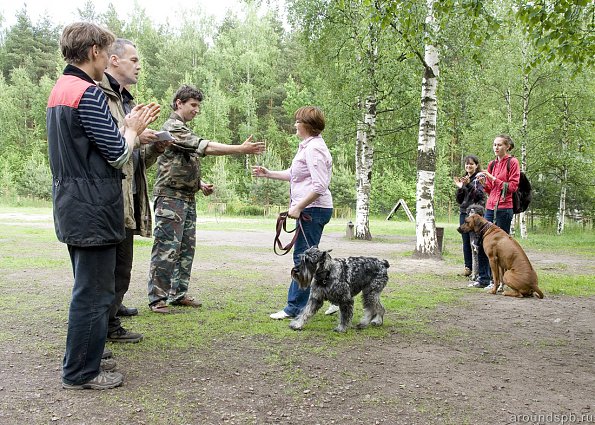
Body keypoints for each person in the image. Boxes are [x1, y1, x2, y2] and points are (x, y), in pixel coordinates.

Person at [47, 22, 156, 389]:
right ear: (95, 52)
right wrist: (131, 128)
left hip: (72, 202)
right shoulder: (88, 93)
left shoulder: (61, 89)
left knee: (88, 290)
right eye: (106, 51)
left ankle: (82, 362)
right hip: (93, 207)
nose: (108, 57)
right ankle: (81, 372)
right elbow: (117, 153)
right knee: (94, 295)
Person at [147, 85, 265, 313]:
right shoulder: (173, 128)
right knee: (166, 248)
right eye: (193, 105)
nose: (197, 110)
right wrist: (240, 149)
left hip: (186, 197)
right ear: (179, 103)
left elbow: (177, 165)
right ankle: (157, 298)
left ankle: (178, 294)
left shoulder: (183, 129)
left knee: (185, 249)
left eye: (199, 106)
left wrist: (199, 184)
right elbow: (206, 147)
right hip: (170, 198)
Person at [98, 38, 170, 342]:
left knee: (122, 267)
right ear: (114, 60)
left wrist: (152, 147)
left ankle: (112, 314)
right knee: (109, 272)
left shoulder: (125, 100)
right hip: (109, 197)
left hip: (128, 196)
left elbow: (132, 158)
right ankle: (106, 325)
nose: (139, 66)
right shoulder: (99, 96)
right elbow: (109, 150)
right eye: (134, 59)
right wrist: (134, 136)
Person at [252, 106, 333, 320]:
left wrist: (298, 207)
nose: (295, 124)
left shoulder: (314, 149)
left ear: (306, 125)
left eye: (297, 121)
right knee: (311, 258)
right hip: (313, 209)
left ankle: (294, 308)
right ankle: (335, 297)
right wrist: (268, 174)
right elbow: (294, 174)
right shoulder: (308, 146)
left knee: (303, 259)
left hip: (313, 210)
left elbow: (320, 186)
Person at [471, 134, 520, 289]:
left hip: (505, 208)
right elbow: (491, 190)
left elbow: (512, 187)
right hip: (491, 207)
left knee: (501, 247)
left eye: (499, 145)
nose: (496, 148)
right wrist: (485, 183)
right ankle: (484, 278)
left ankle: (499, 282)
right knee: (484, 242)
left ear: (507, 147)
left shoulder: (512, 162)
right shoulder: (492, 164)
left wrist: (492, 178)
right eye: (494, 145)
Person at [454, 155, 486, 277]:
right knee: (465, 241)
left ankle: (478, 270)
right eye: (467, 164)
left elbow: (479, 196)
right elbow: (459, 199)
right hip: (464, 212)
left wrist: (468, 185)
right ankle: (468, 267)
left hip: (475, 214)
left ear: (476, 165)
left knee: (476, 241)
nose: (468, 166)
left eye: (471, 164)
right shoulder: (465, 178)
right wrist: (461, 188)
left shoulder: (479, 178)